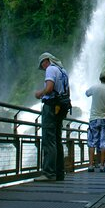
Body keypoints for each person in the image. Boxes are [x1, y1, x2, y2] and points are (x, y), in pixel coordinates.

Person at [34, 52, 69, 181]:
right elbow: (67, 90)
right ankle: (59, 172)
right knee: (57, 140)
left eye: (42, 64)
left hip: (51, 106)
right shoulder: (63, 71)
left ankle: (48, 173)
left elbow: (49, 88)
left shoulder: (50, 69)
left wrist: (40, 93)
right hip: (61, 107)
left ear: (47, 61)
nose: (43, 67)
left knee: (49, 140)